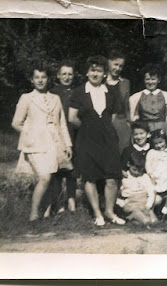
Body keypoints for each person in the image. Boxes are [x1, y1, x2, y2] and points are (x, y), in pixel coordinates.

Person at [68, 55, 125, 226]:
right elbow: (72, 118)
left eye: (99, 70)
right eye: (92, 70)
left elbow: (112, 118)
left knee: (112, 177)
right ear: (87, 72)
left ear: (104, 73)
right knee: (90, 177)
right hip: (86, 140)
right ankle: (98, 214)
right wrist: (87, 128)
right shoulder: (78, 92)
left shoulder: (112, 92)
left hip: (108, 139)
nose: (95, 73)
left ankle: (110, 211)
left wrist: (102, 129)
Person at [12, 64, 72, 222]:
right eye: (36, 77)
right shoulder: (26, 98)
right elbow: (16, 123)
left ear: (48, 79)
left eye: (43, 77)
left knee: (51, 177)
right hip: (34, 146)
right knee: (45, 177)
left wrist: (68, 144)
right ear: (32, 80)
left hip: (54, 145)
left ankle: (46, 213)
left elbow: (62, 123)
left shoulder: (55, 98)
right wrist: (31, 134)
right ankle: (33, 214)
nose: (40, 80)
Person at [46, 60, 78, 215]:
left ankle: (72, 201)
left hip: (74, 134)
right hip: (58, 135)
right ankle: (59, 204)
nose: (67, 77)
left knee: (72, 171)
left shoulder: (77, 92)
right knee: (58, 170)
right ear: (58, 76)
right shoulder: (52, 93)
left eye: (70, 74)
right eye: (63, 74)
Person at [129, 63, 167, 149]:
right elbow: (134, 119)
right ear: (144, 80)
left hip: (162, 129)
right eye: (147, 79)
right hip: (145, 131)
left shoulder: (165, 96)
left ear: (158, 80)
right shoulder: (136, 97)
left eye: (153, 79)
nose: (150, 82)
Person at [145, 129, 167, 219]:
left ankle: (165, 211)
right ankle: (150, 212)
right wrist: (151, 176)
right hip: (156, 178)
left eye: (161, 142)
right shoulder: (151, 153)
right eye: (156, 144)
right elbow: (148, 166)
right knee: (152, 194)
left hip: (166, 178)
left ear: (165, 141)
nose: (159, 145)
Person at [120, 153, 157, 225]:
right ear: (128, 164)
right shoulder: (124, 177)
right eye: (134, 169)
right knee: (145, 221)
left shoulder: (144, 176)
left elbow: (151, 192)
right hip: (132, 205)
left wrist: (148, 206)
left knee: (154, 221)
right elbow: (117, 195)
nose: (137, 172)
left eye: (139, 170)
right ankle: (135, 216)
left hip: (144, 203)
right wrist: (123, 205)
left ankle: (133, 220)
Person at [105, 49, 131, 153]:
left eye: (121, 66)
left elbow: (126, 107)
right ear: (108, 62)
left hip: (121, 124)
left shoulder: (125, 83)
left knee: (122, 153)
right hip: (105, 123)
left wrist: (128, 124)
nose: (118, 68)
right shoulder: (100, 82)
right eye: (115, 64)